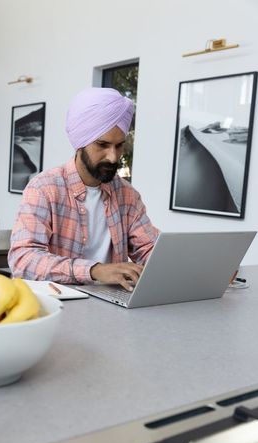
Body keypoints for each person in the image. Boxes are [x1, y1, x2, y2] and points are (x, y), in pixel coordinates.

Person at [8, 87, 159, 291]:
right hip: (57, 305)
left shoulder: (127, 195)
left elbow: (149, 248)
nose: (113, 157)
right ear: (81, 143)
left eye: (119, 145)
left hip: (112, 305)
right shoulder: (44, 188)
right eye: (102, 145)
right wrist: (95, 270)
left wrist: (175, 263)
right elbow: (23, 259)